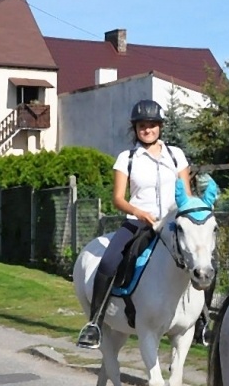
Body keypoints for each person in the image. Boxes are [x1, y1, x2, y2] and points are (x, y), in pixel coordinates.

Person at [74, 99, 193, 349]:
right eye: (142, 125)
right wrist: (139, 212)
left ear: (160, 127)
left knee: (202, 260)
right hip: (138, 222)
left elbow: (187, 195)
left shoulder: (176, 155)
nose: (147, 130)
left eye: (152, 125)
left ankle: (201, 321)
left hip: (172, 224)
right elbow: (118, 198)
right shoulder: (126, 158)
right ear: (135, 128)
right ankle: (95, 322)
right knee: (108, 262)